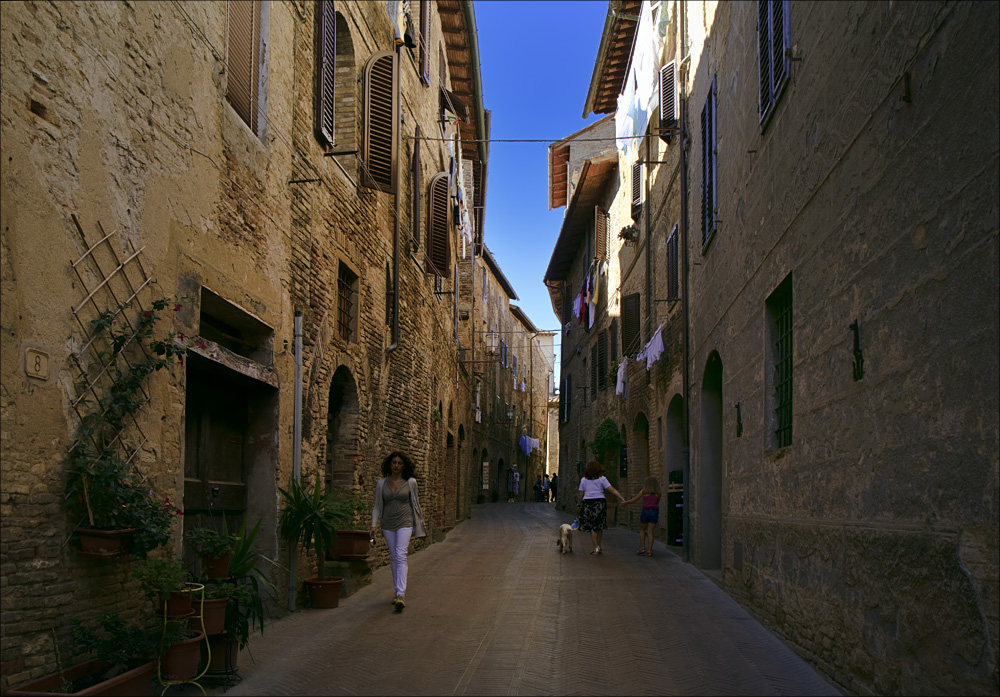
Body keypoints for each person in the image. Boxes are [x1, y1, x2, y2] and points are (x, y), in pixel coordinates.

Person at [370, 451, 426, 610]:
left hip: (405, 522)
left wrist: (419, 526)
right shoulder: (381, 483)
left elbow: (416, 505)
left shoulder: (411, 483)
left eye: (399, 463)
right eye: (394, 463)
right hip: (388, 524)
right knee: (393, 556)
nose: (396, 465)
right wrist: (374, 524)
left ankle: (401, 593)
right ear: (390, 464)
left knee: (401, 554)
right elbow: (376, 506)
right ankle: (397, 591)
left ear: (404, 466)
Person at [576, 460, 625, 555]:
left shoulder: (583, 480)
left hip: (588, 503)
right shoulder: (602, 479)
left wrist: (579, 504)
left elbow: (580, 493)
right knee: (599, 525)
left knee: (592, 526)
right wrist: (621, 498)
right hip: (600, 503)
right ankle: (598, 546)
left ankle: (595, 547)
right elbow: (611, 489)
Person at [623, 475, 661, 557]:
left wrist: (625, 502)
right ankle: (650, 551)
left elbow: (634, 500)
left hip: (645, 511)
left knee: (642, 530)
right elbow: (657, 502)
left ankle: (643, 547)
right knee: (650, 532)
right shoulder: (658, 493)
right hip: (654, 511)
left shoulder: (644, 491)